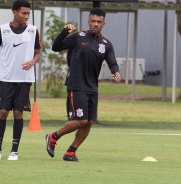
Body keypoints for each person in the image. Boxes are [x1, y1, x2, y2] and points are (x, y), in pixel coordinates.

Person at [45, 8, 121, 162]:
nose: (95, 24)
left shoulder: (106, 43)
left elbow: (112, 61)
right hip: (76, 85)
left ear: (103, 24)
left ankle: (71, 152)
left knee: (88, 122)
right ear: (88, 21)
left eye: (99, 22)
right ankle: (53, 137)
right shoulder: (78, 37)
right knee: (80, 120)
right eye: (93, 21)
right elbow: (56, 47)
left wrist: (116, 71)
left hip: (92, 88)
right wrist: (64, 32)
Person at [0, 0, 41, 161]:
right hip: (6, 78)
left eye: (28, 14)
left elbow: (38, 53)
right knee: (3, 111)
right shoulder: (2, 29)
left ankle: (14, 151)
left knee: (18, 113)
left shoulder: (33, 31)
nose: (26, 16)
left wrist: (32, 62)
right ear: (14, 12)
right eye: (23, 13)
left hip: (24, 80)